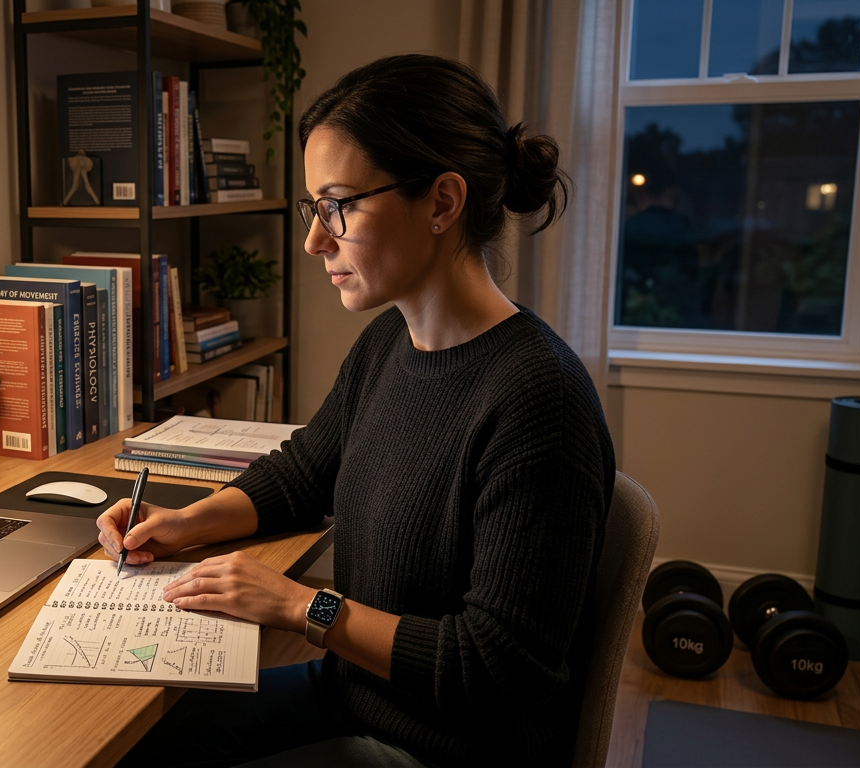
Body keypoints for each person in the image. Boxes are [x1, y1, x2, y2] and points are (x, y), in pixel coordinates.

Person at [99, 54, 614, 767]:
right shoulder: (387, 344)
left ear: (441, 202)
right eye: (316, 208)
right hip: (354, 692)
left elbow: (500, 670)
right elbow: (304, 473)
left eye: (338, 204)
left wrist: (296, 606)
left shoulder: (537, 400)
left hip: (448, 747)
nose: (315, 239)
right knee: (129, 747)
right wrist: (183, 524)